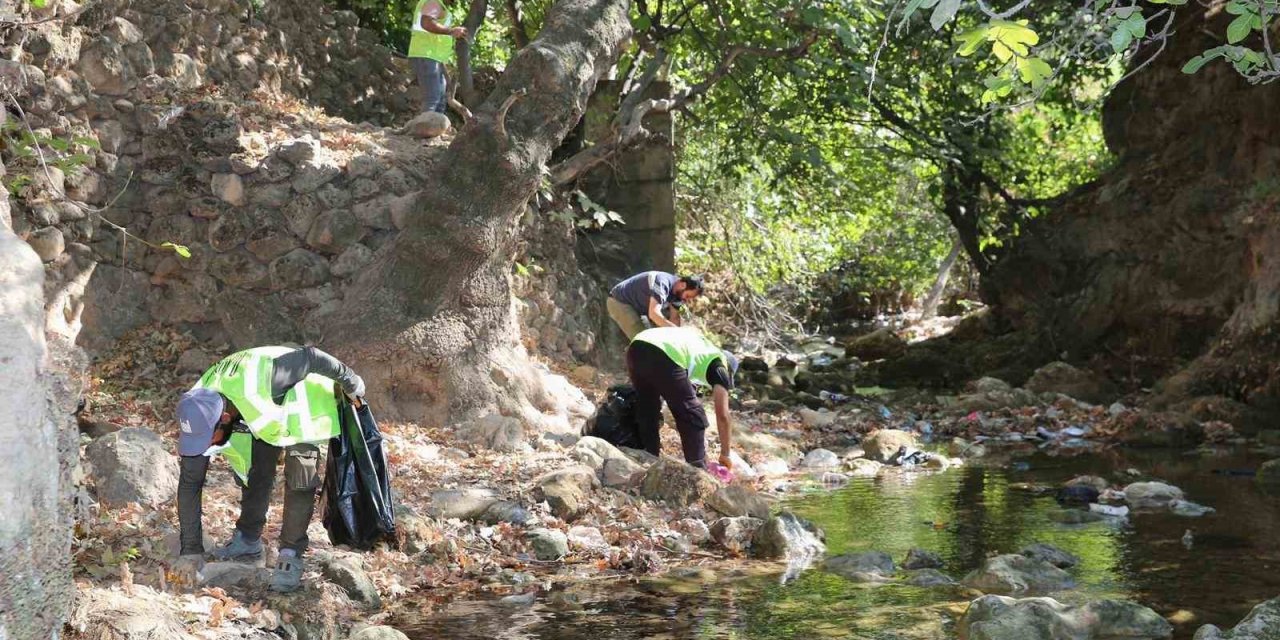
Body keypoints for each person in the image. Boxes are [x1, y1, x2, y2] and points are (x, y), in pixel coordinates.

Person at [173, 346, 365, 592]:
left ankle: (290, 555)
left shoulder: (270, 380)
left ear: (224, 419)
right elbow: (190, 483)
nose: (205, 446)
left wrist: (351, 381)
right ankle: (247, 542)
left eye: (208, 439)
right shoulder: (195, 405)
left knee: (300, 475)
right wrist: (190, 550)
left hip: (302, 402)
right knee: (256, 467)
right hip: (261, 409)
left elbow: (312, 356)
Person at [625, 326, 738, 469]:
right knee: (692, 414)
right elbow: (723, 415)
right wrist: (725, 454)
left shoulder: (701, 348)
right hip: (664, 353)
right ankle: (697, 470)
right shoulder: (720, 365)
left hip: (636, 346)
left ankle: (648, 457)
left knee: (648, 408)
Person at [408, 0, 469, 114]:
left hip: (432, 57)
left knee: (440, 100)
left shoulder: (438, 4)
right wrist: (451, 31)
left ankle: (434, 129)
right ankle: (423, 129)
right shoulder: (433, 2)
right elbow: (426, 23)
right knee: (432, 99)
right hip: (426, 55)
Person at [607, 271, 704, 340]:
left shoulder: (678, 294)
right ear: (683, 285)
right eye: (687, 296)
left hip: (638, 308)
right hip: (619, 302)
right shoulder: (662, 282)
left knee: (652, 340)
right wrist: (676, 331)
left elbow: (674, 319)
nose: (686, 300)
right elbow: (654, 314)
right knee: (643, 341)